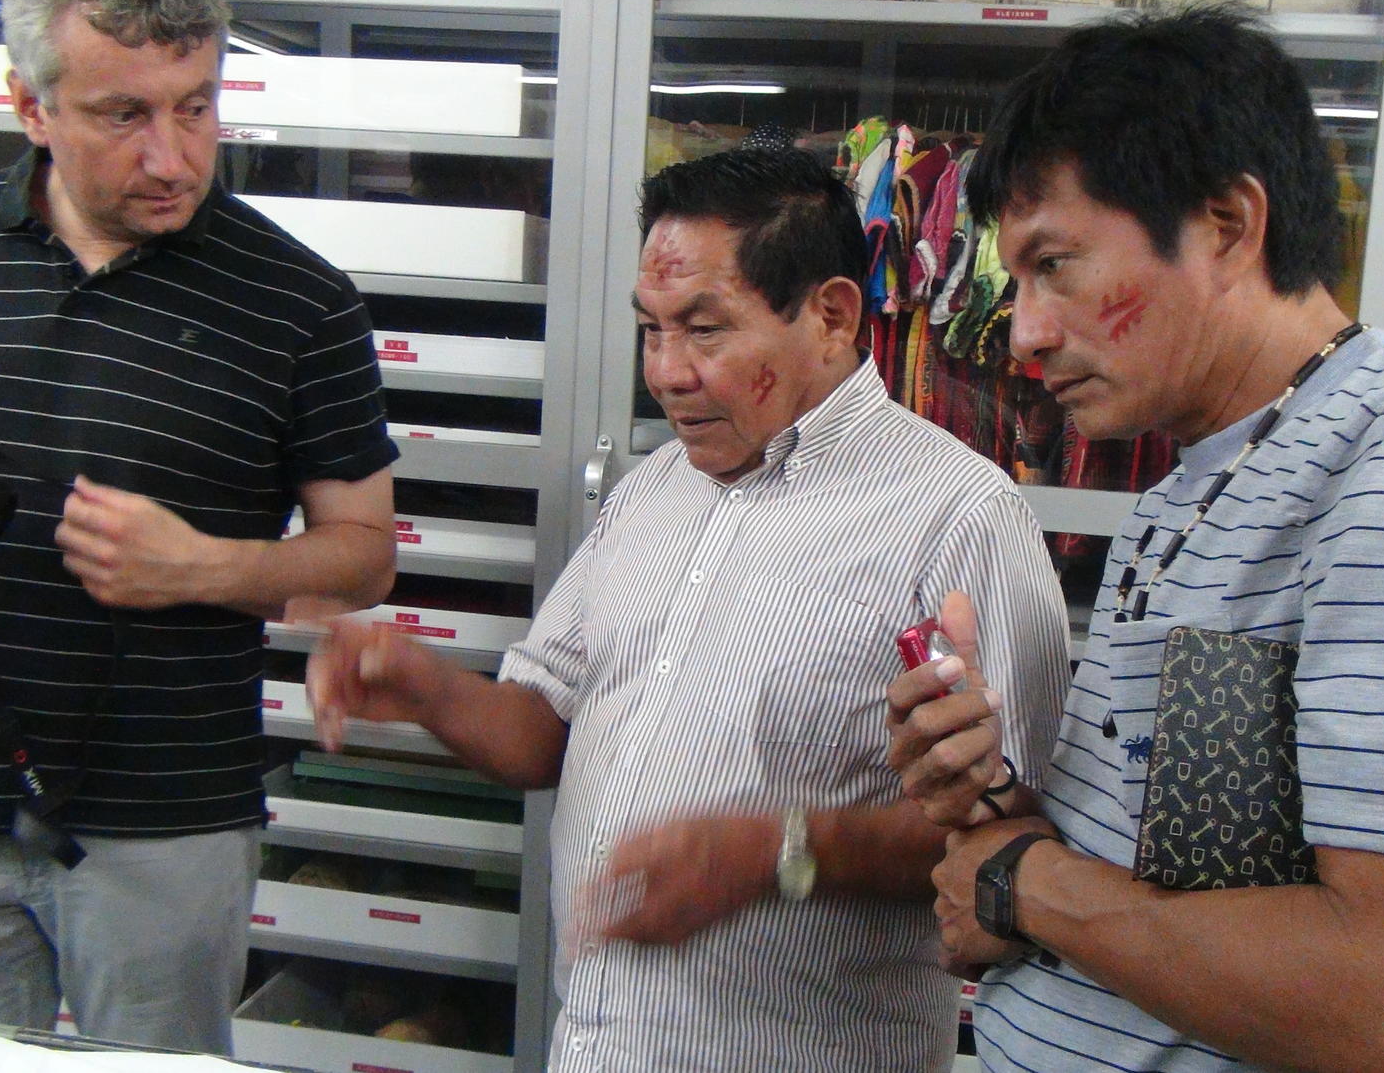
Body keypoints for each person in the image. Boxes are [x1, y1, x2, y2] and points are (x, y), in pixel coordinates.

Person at [886, 5, 1384, 1073]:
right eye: (1015, 282)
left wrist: (1019, 881)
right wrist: (994, 796)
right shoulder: (1191, 491)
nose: (1028, 331)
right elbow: (1184, 883)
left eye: (1055, 266)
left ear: (1228, 225)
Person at [307, 147, 1070, 1071]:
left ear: (830, 316)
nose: (665, 371)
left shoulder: (958, 517)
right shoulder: (651, 492)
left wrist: (775, 855)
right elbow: (545, 729)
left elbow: (1007, 846)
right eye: (651, 329)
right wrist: (424, 683)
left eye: (705, 330)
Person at [0, 0, 396, 1054]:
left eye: (197, 106)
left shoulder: (298, 301)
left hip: (164, 827)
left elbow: (362, 555)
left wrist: (201, 569)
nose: (172, 155)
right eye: (123, 114)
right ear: (28, 104)